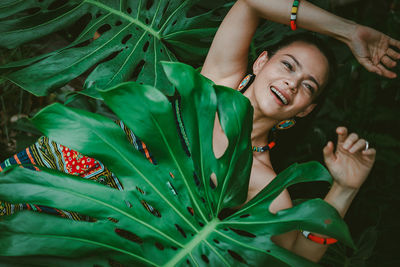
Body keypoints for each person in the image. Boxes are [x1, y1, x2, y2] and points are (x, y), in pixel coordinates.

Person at [1, 0, 399, 263]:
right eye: (288, 65)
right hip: (43, 178)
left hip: (87, 241)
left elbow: (296, 253)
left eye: (308, 85)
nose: (293, 83)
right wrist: (347, 31)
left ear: (306, 109)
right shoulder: (213, 86)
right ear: (260, 62)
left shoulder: (262, 182)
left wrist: (345, 188)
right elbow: (251, 3)